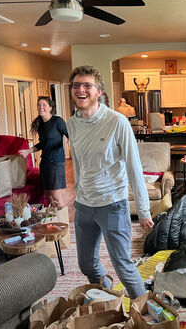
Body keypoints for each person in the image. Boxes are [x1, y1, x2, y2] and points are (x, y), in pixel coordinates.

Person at [66, 65, 154, 299]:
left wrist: (143, 210)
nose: (80, 89)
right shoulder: (71, 124)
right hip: (84, 206)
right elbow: (77, 161)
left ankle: (144, 314)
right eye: (76, 85)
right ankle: (105, 286)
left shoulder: (117, 122)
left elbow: (134, 167)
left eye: (87, 85)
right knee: (86, 265)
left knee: (124, 266)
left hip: (112, 204)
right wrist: (77, 194)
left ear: (99, 92)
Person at [18, 96, 69, 207]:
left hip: (56, 162)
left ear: (50, 107)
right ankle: (56, 220)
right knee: (48, 194)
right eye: (39, 105)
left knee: (56, 194)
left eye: (44, 105)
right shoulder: (40, 124)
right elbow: (42, 144)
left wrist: (73, 145)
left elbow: (70, 135)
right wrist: (28, 151)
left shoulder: (57, 121)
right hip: (45, 162)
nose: (41, 107)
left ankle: (64, 221)